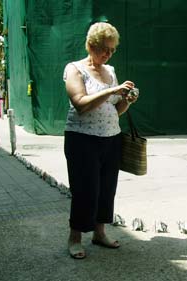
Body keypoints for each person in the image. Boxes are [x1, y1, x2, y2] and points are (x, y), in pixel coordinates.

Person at [63, 22, 138, 259]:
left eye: (112, 50)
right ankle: (75, 238)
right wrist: (111, 91)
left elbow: (115, 110)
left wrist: (127, 99)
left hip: (111, 138)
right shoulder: (74, 69)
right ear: (91, 45)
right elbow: (80, 103)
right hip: (82, 139)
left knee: (106, 190)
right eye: (104, 49)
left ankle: (99, 232)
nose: (108, 54)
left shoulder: (110, 70)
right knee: (85, 190)